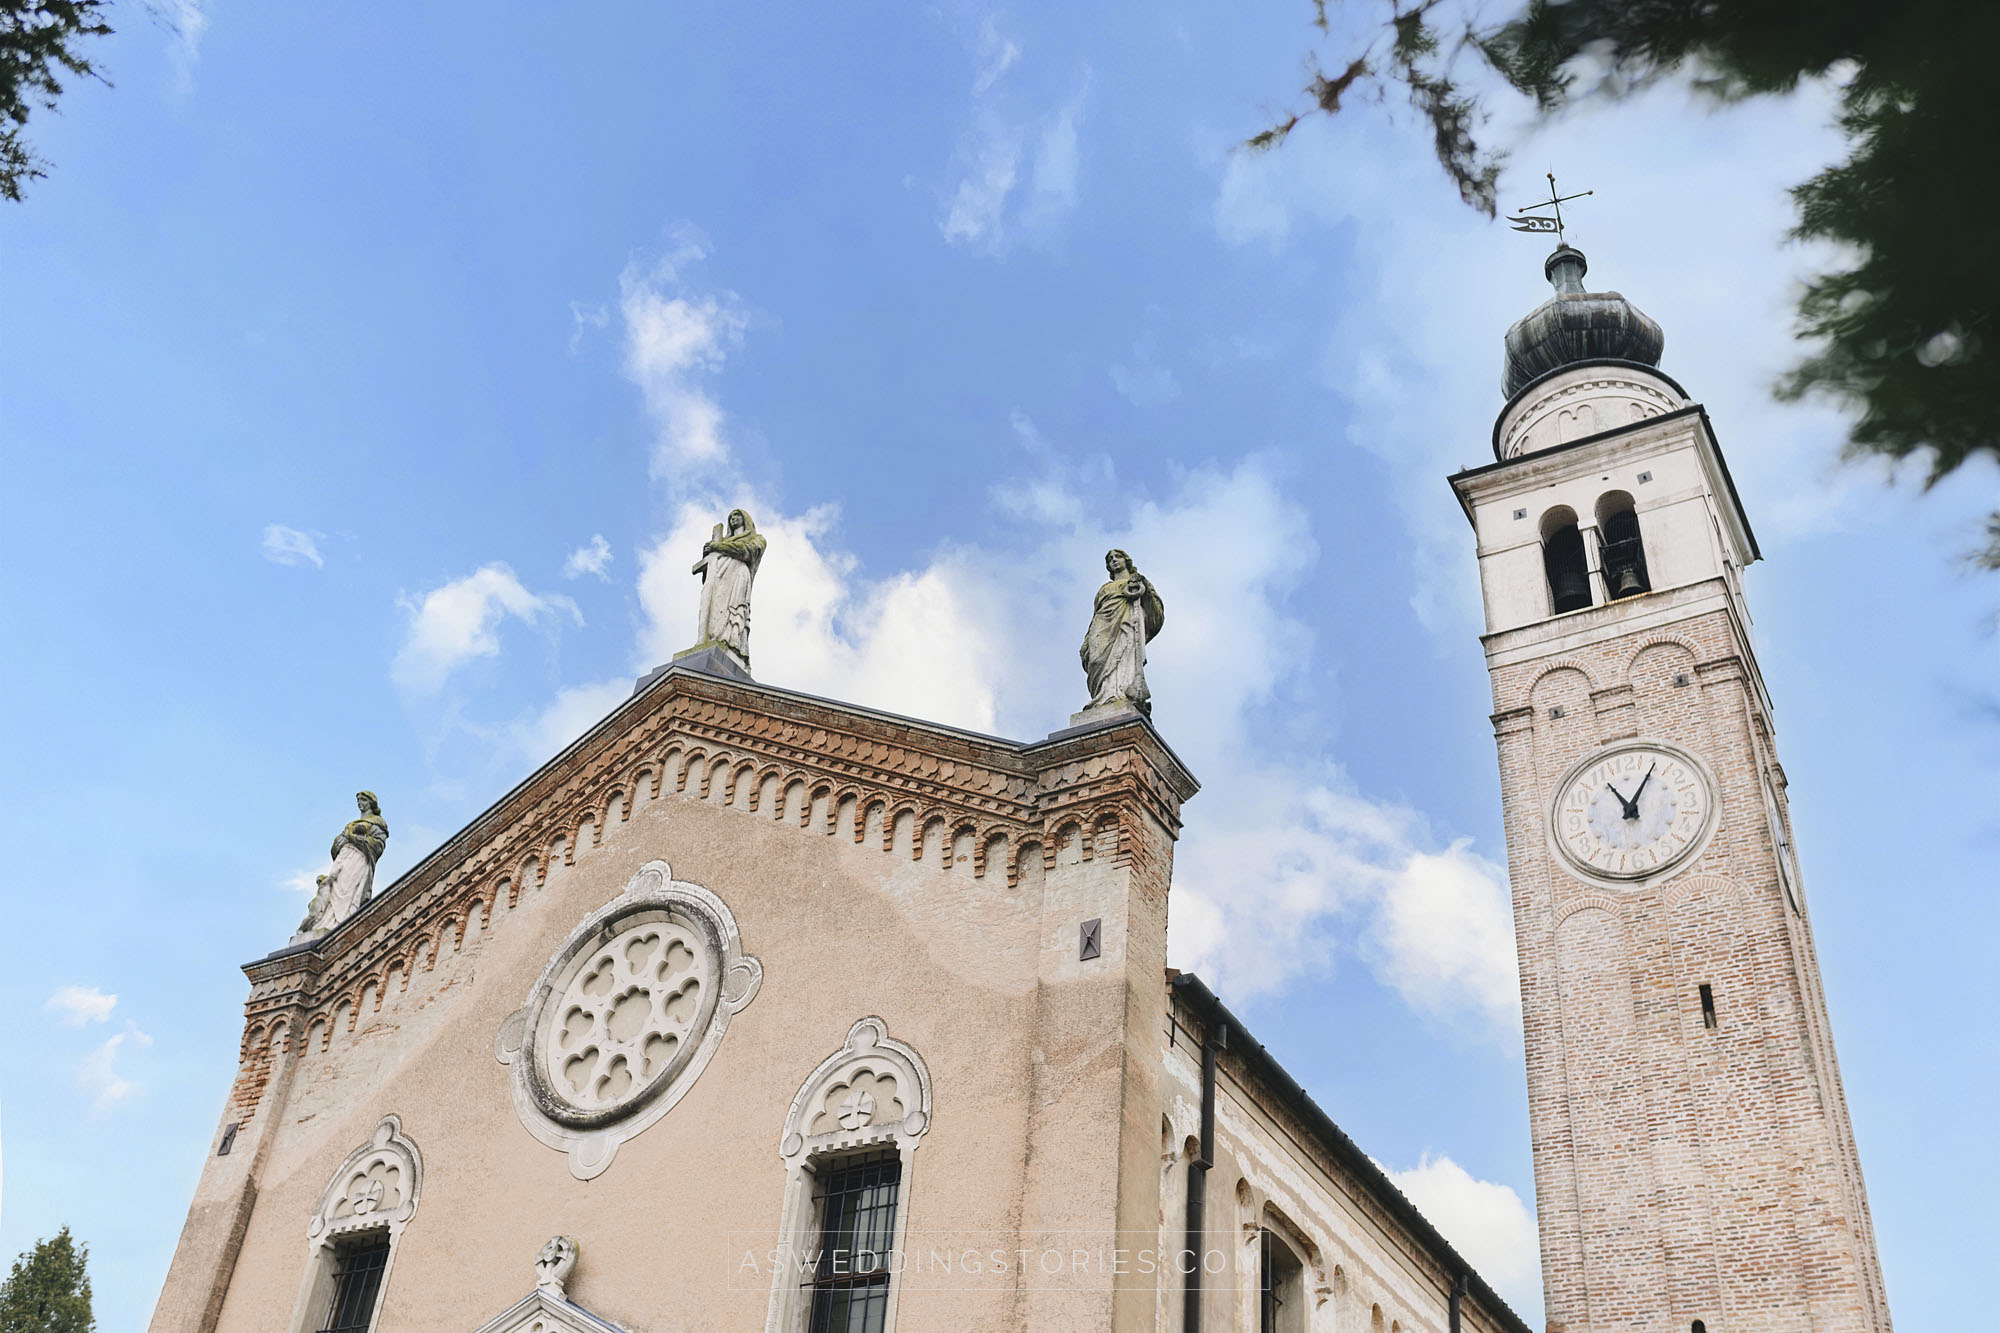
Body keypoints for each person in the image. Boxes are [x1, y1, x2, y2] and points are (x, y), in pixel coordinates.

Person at [1079, 549, 1165, 716]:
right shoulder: (1104, 588)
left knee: (1124, 656)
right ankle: (1102, 696)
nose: (1114, 560)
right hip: (1103, 624)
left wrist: (1143, 588)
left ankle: (1119, 694)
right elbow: (1096, 613)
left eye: (1117, 557)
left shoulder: (1138, 581)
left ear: (1126, 560)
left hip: (1127, 623)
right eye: (1110, 559)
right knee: (1096, 661)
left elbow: (1156, 611)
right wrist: (1087, 639)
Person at [294, 791, 390, 940]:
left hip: (359, 858)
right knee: (333, 883)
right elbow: (336, 845)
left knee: (348, 887)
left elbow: (377, 846)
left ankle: (342, 920)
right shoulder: (350, 824)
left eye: (363, 800)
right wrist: (342, 840)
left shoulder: (378, 823)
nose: (360, 803)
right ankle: (325, 921)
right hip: (344, 856)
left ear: (371, 803)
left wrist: (352, 837)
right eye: (358, 800)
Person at [691, 508, 767, 664]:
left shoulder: (757, 539)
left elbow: (747, 552)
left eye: (737, 515)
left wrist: (718, 547)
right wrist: (708, 555)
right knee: (715, 610)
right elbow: (707, 576)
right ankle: (712, 638)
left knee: (733, 611)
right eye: (731, 516)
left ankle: (731, 643)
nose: (733, 518)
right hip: (720, 579)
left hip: (737, 575)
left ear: (745, 519)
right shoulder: (719, 542)